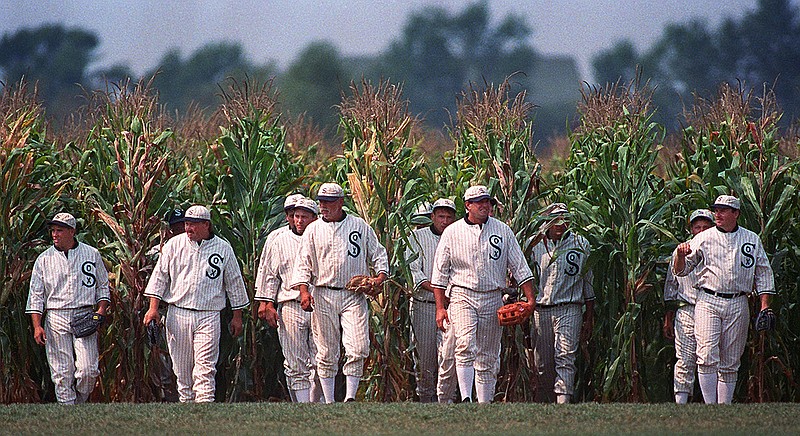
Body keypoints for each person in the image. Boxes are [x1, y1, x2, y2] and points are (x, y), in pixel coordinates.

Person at [431, 185, 535, 403]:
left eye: (487, 201)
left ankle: (484, 403)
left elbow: (520, 266)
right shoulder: (452, 232)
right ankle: (467, 397)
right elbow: (439, 274)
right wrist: (440, 308)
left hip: (492, 296)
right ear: (468, 205)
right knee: (465, 344)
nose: (485, 205)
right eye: (479, 202)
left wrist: (531, 299)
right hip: (462, 294)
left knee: (488, 354)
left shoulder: (502, 230)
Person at [291, 182, 389, 403]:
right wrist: (304, 291)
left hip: (353, 294)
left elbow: (379, 255)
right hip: (323, 293)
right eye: (321, 201)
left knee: (358, 346)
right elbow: (303, 264)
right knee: (326, 351)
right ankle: (329, 401)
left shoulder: (359, 226)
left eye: (328, 202)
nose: (323, 206)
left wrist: (379, 278)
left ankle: (350, 397)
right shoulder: (313, 229)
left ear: (341, 202)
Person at [142, 205, 250, 403]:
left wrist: (237, 316)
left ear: (206, 225)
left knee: (205, 369)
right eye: (186, 223)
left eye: (192, 224)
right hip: (178, 312)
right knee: (182, 372)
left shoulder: (223, 248)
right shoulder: (174, 245)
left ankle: (205, 410)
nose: (188, 228)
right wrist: (153, 308)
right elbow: (159, 277)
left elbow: (234, 283)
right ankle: (189, 413)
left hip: (209, 315)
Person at [674, 195, 775, 404]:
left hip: (739, 301)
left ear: (736, 213)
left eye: (723, 210)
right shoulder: (704, 237)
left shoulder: (751, 238)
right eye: (716, 210)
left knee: (730, 360)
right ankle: (711, 406)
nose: (718, 214)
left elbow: (763, 272)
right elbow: (682, 271)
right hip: (708, 299)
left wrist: (765, 305)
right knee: (706, 354)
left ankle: (724, 407)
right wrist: (681, 256)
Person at [26, 212, 110, 405]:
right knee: (62, 372)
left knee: (88, 370)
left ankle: (78, 404)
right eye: (53, 230)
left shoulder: (91, 253)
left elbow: (103, 286)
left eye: (60, 230)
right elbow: (36, 296)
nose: (55, 234)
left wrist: (100, 312)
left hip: (84, 314)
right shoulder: (44, 259)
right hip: (56, 315)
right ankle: (67, 411)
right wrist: (37, 326)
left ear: (72, 231)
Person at [255, 197, 322, 403]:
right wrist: (266, 303)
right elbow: (268, 273)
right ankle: (302, 405)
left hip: (320, 303)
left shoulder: (323, 235)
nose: (297, 219)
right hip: (290, 303)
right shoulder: (278, 239)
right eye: (294, 214)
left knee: (321, 359)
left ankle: (317, 403)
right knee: (295, 361)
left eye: (302, 215)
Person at [529, 203, 594, 404]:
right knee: (543, 362)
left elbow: (587, 281)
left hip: (569, 307)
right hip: (541, 310)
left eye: (564, 219)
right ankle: (546, 402)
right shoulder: (534, 244)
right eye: (555, 219)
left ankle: (563, 403)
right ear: (545, 221)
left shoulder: (580, 243)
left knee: (565, 356)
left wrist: (589, 316)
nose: (560, 224)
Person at [406, 198, 457, 403]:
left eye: (449, 217)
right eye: (441, 216)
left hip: (453, 306)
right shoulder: (416, 237)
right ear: (432, 216)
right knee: (425, 358)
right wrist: (440, 293)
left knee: (449, 355)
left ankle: (448, 400)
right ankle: (425, 400)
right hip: (423, 306)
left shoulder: (459, 236)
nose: (444, 221)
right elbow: (414, 273)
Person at [663, 209, 715, 404]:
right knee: (684, 357)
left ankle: (714, 402)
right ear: (691, 228)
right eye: (697, 227)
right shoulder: (681, 251)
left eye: (705, 227)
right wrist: (668, 316)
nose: (701, 230)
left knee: (709, 357)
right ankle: (681, 401)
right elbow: (671, 286)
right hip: (687, 308)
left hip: (711, 307)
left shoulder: (718, 249)